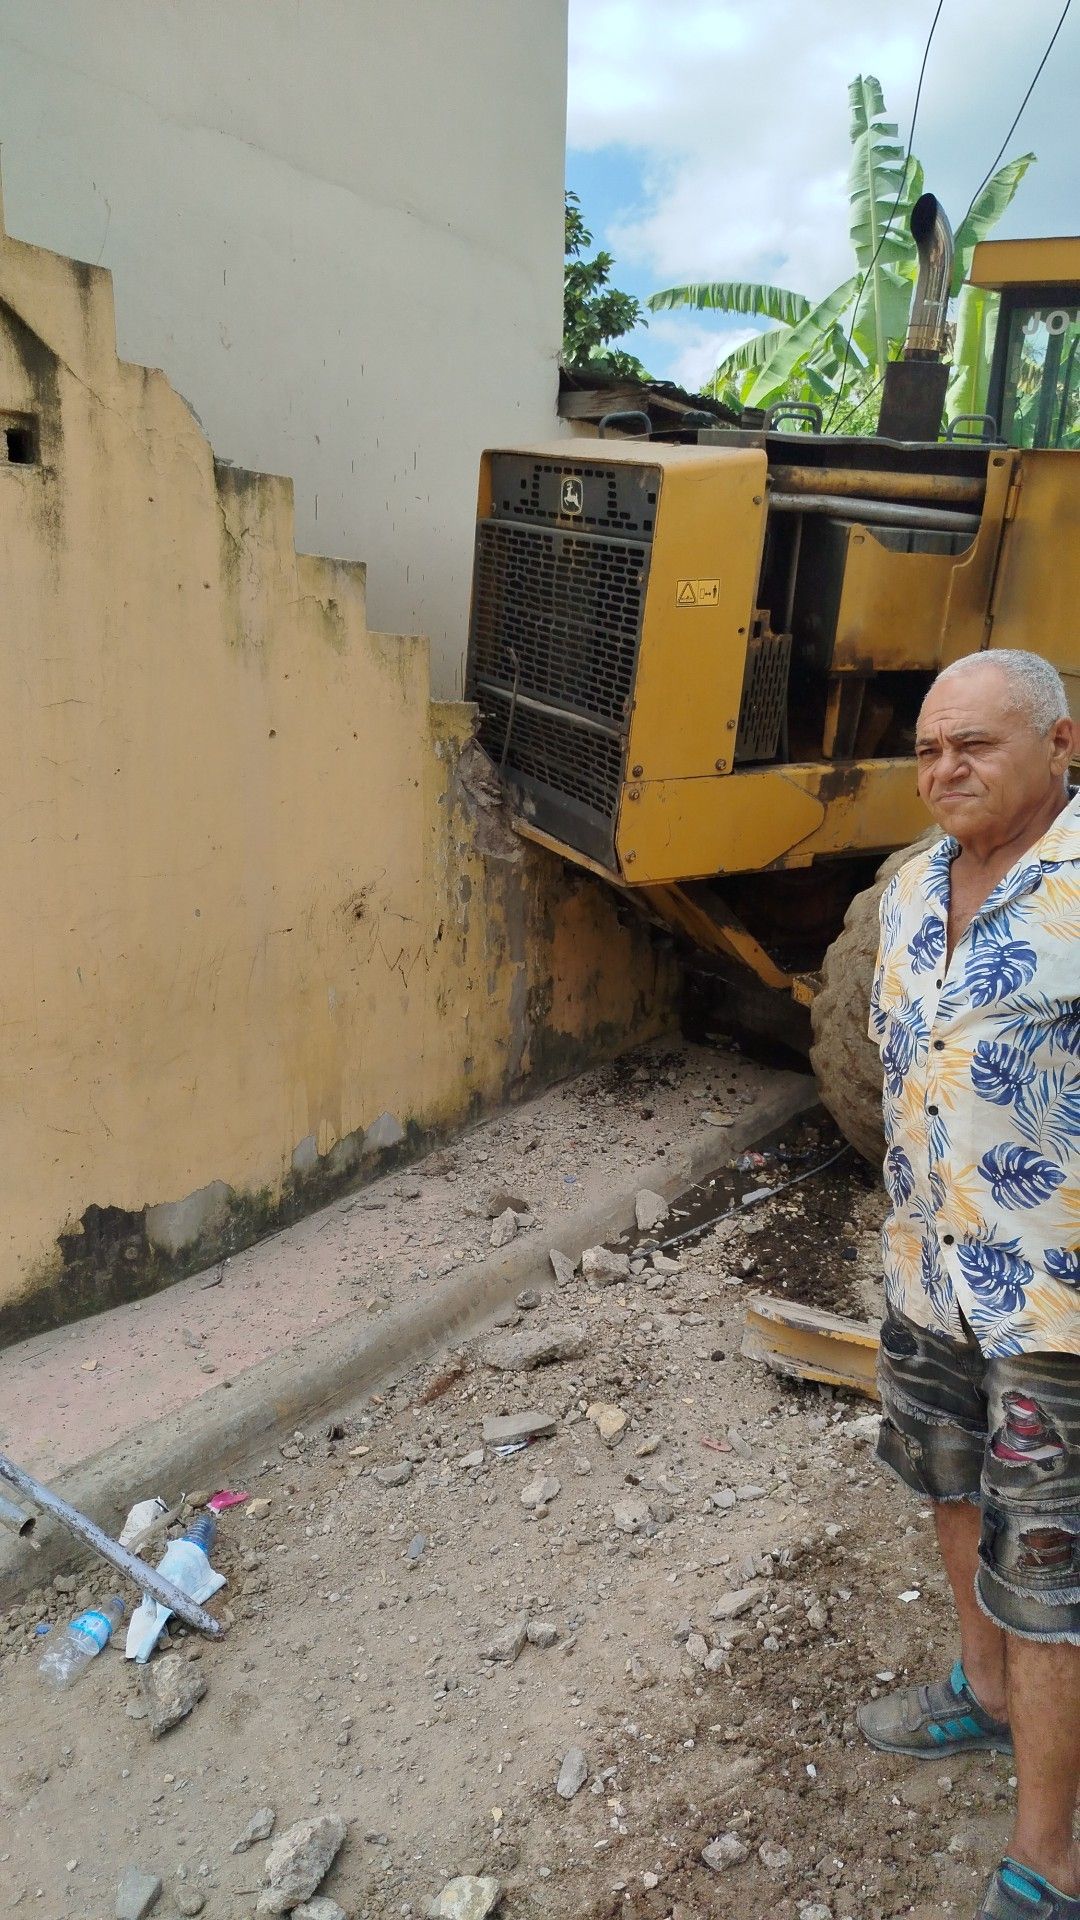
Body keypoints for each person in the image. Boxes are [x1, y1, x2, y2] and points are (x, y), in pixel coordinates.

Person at [860, 648, 1080, 1920]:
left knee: (1051, 1565)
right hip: (928, 1273)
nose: (944, 769)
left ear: (1060, 745)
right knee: (945, 1480)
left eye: (976, 745)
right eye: (931, 747)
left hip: (1057, 1304)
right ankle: (983, 1693)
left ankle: (1047, 1856)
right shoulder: (909, 889)